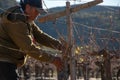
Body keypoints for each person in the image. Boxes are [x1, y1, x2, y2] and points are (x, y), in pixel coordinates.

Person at [0, 0, 65, 80]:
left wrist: (58, 45)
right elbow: (28, 48)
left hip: (6, 62)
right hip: (4, 62)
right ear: (28, 7)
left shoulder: (25, 18)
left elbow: (39, 35)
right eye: (36, 11)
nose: (38, 14)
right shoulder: (16, 20)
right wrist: (53, 59)